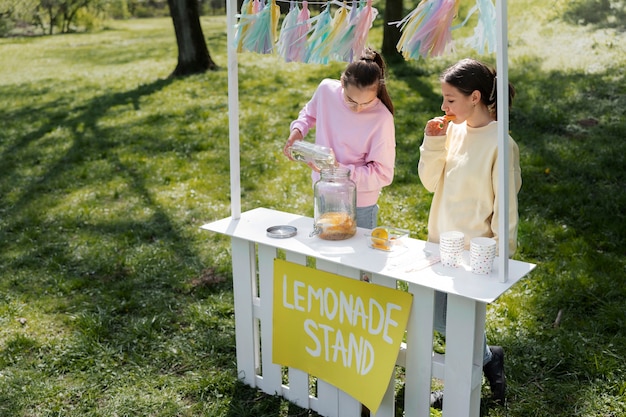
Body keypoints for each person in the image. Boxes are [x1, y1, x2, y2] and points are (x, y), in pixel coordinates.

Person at [418, 58, 522, 406]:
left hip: (474, 253)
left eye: (450, 99)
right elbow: (430, 182)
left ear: (475, 96)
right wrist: (432, 143)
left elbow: (505, 204)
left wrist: (497, 255)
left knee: (458, 321)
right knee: (438, 317)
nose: (443, 107)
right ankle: (490, 359)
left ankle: (460, 385)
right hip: (440, 244)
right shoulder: (453, 131)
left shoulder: (500, 143)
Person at [283, 48, 396, 229]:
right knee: (325, 248)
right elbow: (309, 113)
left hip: (359, 201)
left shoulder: (382, 118)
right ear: (342, 82)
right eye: (351, 100)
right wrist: (298, 130)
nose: (358, 108)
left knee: (358, 256)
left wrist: (339, 169)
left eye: (366, 103)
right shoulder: (326, 90)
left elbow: (383, 174)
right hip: (324, 190)